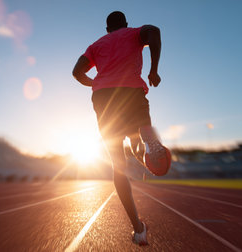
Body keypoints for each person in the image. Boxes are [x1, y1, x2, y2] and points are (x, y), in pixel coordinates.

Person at [72, 11, 171, 246]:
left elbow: (76, 72)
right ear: (124, 25)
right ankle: (145, 137)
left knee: (118, 165)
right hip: (131, 92)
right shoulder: (134, 33)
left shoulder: (96, 45)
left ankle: (138, 229)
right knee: (138, 129)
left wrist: (95, 82)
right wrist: (154, 69)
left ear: (107, 29)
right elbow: (154, 31)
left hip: (104, 98)